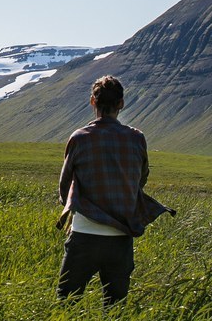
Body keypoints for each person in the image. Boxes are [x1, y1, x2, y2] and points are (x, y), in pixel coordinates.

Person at [55, 75, 174, 305]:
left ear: (93, 102)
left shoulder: (79, 138)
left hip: (84, 236)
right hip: (121, 238)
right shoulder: (137, 138)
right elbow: (141, 179)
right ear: (121, 103)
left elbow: (64, 188)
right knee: (115, 308)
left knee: (66, 304)